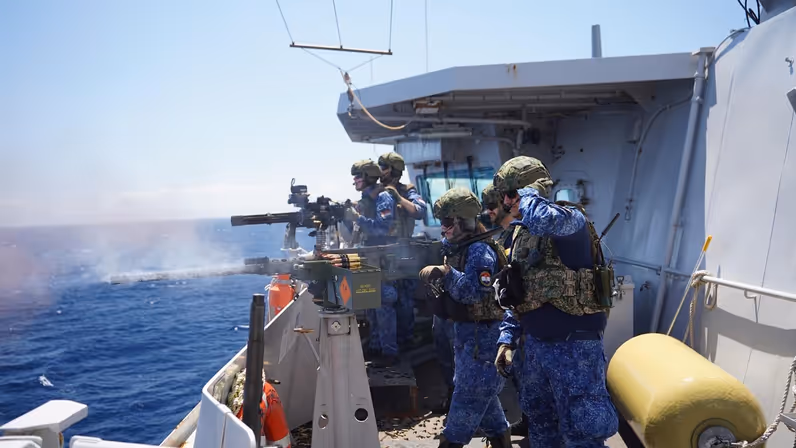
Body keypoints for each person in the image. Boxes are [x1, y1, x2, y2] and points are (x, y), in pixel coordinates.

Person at [491, 156, 618, 447]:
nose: (507, 201)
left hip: (575, 348)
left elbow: (543, 218)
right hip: (536, 348)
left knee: (582, 431)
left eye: (512, 192)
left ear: (530, 190)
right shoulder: (522, 234)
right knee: (541, 424)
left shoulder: (570, 220)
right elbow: (519, 293)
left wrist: (528, 194)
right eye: (505, 195)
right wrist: (507, 339)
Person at [419, 187, 511, 448]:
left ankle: (451, 443)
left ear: (464, 221)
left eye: (448, 222)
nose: (444, 228)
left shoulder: (479, 252)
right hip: (468, 334)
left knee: (468, 396)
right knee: (483, 397)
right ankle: (500, 439)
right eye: (442, 222)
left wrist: (446, 272)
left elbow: (472, 293)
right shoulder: (462, 248)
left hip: (483, 336)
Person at [481, 183, 530, 437]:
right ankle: (527, 419)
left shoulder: (519, 234)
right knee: (520, 375)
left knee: (529, 376)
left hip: (522, 319)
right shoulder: (502, 236)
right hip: (510, 318)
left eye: (492, 206)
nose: (488, 212)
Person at [347, 159, 399, 367]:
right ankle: (376, 347)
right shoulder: (366, 199)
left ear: (368, 177)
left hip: (382, 260)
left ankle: (390, 353)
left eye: (358, 176)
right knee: (370, 304)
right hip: (368, 259)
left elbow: (381, 228)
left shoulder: (383, 198)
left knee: (384, 302)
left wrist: (357, 218)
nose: (355, 180)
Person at [378, 151, 427, 350]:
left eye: (384, 168)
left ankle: (406, 340)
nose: (380, 172)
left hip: (403, 253)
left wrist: (398, 196)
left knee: (405, 301)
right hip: (379, 253)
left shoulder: (408, 190)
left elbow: (420, 211)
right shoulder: (376, 192)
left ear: (394, 171)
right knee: (383, 301)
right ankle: (384, 344)